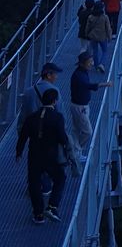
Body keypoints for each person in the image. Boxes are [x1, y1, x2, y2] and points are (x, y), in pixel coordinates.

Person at [16, 87, 74, 224]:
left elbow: (23, 136)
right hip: (51, 156)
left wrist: (19, 152)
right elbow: (62, 137)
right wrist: (67, 148)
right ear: (54, 101)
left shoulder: (31, 118)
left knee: (34, 183)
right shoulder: (57, 117)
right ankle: (52, 206)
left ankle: (38, 214)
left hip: (34, 155)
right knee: (60, 178)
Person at [70, 52, 112, 159]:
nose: (92, 64)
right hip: (80, 107)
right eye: (90, 62)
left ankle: (74, 151)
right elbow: (88, 86)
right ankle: (76, 151)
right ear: (82, 63)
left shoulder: (82, 72)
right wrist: (105, 84)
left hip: (81, 105)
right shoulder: (79, 75)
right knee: (87, 131)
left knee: (77, 130)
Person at [18, 63, 64, 127]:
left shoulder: (28, 91)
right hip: (48, 129)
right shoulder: (55, 91)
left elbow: (23, 115)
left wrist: (20, 131)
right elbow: (60, 112)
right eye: (55, 74)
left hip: (33, 130)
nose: (57, 77)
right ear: (48, 75)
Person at [85, 1, 112, 73]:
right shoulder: (105, 17)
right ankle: (102, 64)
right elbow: (108, 28)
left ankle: (96, 66)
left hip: (93, 36)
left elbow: (88, 27)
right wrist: (109, 36)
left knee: (95, 51)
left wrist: (86, 34)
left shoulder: (90, 17)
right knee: (104, 51)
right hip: (102, 37)